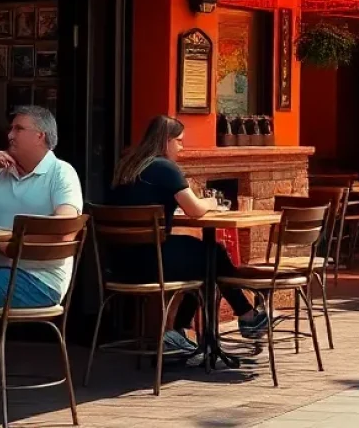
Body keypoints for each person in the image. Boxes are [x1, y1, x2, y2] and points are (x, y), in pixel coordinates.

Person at [108, 115, 268, 351]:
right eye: (180, 141)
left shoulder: (127, 165)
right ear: (166, 141)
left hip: (119, 264)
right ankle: (242, 317)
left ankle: (187, 330)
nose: (181, 148)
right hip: (153, 263)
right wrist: (212, 202)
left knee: (204, 258)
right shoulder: (163, 167)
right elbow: (194, 209)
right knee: (213, 254)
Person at [0, 106, 83, 413]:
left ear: (40, 135)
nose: (9, 134)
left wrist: (7, 246)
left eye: (18, 129)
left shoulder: (61, 173)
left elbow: (63, 230)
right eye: (11, 128)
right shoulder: (0, 173)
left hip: (38, 279)